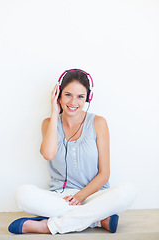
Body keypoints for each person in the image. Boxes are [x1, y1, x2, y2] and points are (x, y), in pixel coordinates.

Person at [8, 69, 136, 235]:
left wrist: (81, 197)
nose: (73, 102)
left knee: (128, 191)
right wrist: (55, 113)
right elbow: (48, 154)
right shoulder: (48, 123)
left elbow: (104, 174)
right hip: (61, 198)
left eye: (80, 96)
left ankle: (48, 227)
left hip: (95, 196)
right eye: (68, 95)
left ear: (87, 98)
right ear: (58, 95)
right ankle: (97, 219)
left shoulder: (98, 122)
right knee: (21, 193)